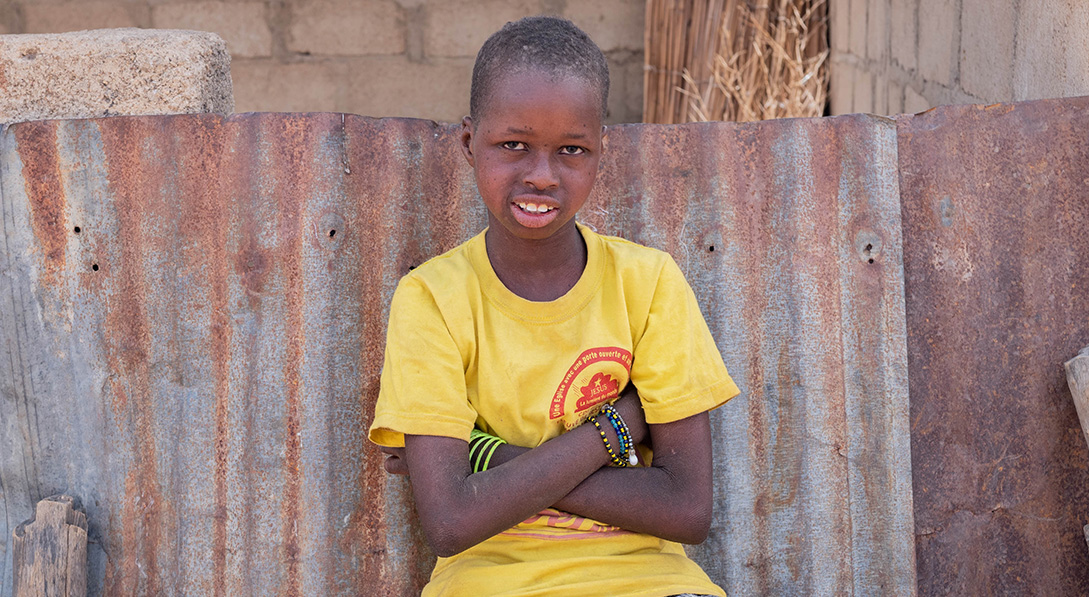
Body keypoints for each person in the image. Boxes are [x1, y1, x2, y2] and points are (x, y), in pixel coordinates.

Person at [368, 16, 740, 597]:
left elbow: (687, 511)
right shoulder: (433, 299)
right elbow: (449, 523)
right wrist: (614, 429)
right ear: (469, 143)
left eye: (572, 150)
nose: (541, 175)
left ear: (599, 154)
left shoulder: (648, 284)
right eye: (513, 145)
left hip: (648, 581)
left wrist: (490, 461)